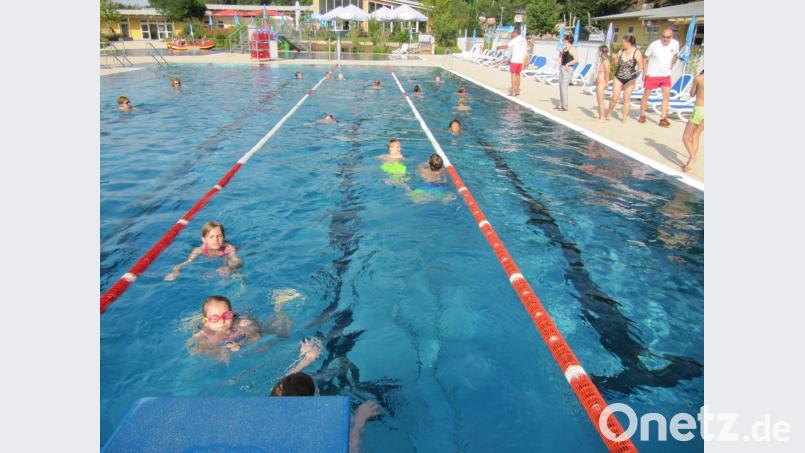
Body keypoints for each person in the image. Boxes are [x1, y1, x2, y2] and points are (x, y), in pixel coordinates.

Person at [187, 296, 261, 359]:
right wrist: (220, 351)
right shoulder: (202, 335)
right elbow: (203, 350)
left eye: (227, 315)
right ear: (206, 322)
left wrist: (242, 346)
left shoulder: (240, 324)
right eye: (215, 318)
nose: (222, 321)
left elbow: (257, 337)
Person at [165, 221, 243, 280]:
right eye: (211, 237)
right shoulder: (200, 250)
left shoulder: (228, 248)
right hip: (210, 256)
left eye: (219, 236)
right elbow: (187, 262)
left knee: (232, 268)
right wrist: (175, 272)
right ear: (204, 240)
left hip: (224, 254)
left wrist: (228, 267)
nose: (216, 240)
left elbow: (237, 261)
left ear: (224, 237)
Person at [639, 27, 680, 127]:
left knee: (666, 97)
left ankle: (663, 118)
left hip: (666, 75)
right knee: (646, 96)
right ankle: (642, 115)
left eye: (668, 37)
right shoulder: (654, 45)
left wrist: (672, 63)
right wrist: (645, 73)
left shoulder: (675, 44)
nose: (665, 39)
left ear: (671, 36)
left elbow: (676, 54)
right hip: (652, 74)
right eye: (664, 37)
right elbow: (645, 58)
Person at [606, 35, 644, 122]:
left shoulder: (636, 52)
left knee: (626, 98)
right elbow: (616, 64)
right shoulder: (621, 51)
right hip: (619, 76)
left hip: (630, 78)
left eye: (623, 42)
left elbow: (640, 66)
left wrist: (636, 73)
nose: (622, 44)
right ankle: (609, 113)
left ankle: (624, 118)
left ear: (628, 43)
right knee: (615, 97)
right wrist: (615, 59)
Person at [682, 70, 704, 172]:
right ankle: (690, 162)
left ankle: (692, 157)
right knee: (696, 135)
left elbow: (692, 94)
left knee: (686, 137)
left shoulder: (699, 78)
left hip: (699, 109)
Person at [496, 27, 528, 97]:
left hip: (515, 60)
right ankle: (517, 91)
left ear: (516, 33)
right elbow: (526, 52)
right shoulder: (524, 40)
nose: (512, 34)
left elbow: (506, 46)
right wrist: (525, 61)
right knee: (518, 75)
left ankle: (513, 91)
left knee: (513, 75)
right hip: (521, 61)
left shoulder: (515, 40)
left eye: (513, 33)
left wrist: (498, 47)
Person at [555, 34, 578, 111]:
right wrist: (560, 62)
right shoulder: (565, 48)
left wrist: (568, 64)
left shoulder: (572, 49)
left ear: (567, 41)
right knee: (560, 87)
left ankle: (565, 106)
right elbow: (562, 58)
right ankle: (561, 104)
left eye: (564, 40)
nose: (562, 41)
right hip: (562, 68)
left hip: (568, 69)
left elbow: (576, 60)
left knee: (564, 87)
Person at [594, 46, 610, 122]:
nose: (597, 53)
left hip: (602, 83)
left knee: (601, 100)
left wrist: (606, 83)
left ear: (602, 52)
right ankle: (600, 116)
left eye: (598, 51)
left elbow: (607, 74)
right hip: (599, 82)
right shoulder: (602, 61)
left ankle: (602, 118)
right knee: (599, 100)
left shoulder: (606, 62)